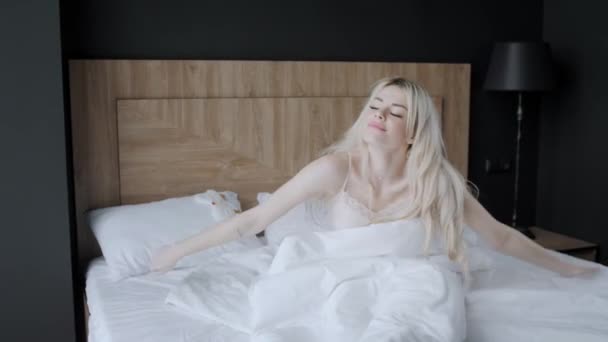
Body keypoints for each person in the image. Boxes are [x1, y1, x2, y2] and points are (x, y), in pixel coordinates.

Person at [150, 76, 599, 280]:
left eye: (396, 111)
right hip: (341, 280)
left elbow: (499, 238)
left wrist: (566, 267)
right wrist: (176, 251)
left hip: (411, 281)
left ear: (414, 132)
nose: (380, 115)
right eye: (375, 106)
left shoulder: (435, 181)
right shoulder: (334, 169)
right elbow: (252, 222)